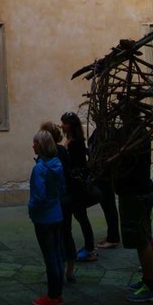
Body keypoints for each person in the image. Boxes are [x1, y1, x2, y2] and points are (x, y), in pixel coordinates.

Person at [114, 118, 153, 302]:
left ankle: (150, 285)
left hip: (137, 193)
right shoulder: (137, 133)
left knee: (142, 240)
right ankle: (147, 278)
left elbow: (128, 166)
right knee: (142, 238)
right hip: (138, 191)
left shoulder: (134, 135)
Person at [29, 129, 65, 305]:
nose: (33, 146)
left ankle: (52, 296)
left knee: (49, 257)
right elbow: (62, 189)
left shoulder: (39, 169)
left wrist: (31, 209)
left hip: (44, 218)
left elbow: (38, 197)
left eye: (35, 143)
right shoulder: (57, 164)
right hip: (57, 214)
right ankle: (58, 292)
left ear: (41, 146)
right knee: (57, 254)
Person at [40, 121, 77, 282]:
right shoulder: (62, 150)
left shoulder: (49, 154)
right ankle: (70, 269)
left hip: (56, 200)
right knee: (67, 232)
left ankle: (58, 270)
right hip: (67, 197)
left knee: (55, 236)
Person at [61, 111, 97, 262]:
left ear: (71, 125)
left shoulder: (76, 143)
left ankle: (90, 249)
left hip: (77, 187)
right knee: (80, 216)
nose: (62, 126)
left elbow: (76, 164)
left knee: (81, 216)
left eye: (65, 123)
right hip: (74, 185)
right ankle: (88, 247)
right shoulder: (72, 140)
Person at [88, 128, 120, 249]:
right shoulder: (100, 131)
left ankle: (113, 238)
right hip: (101, 174)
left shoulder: (108, 132)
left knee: (109, 206)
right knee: (107, 206)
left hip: (105, 175)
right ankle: (111, 235)